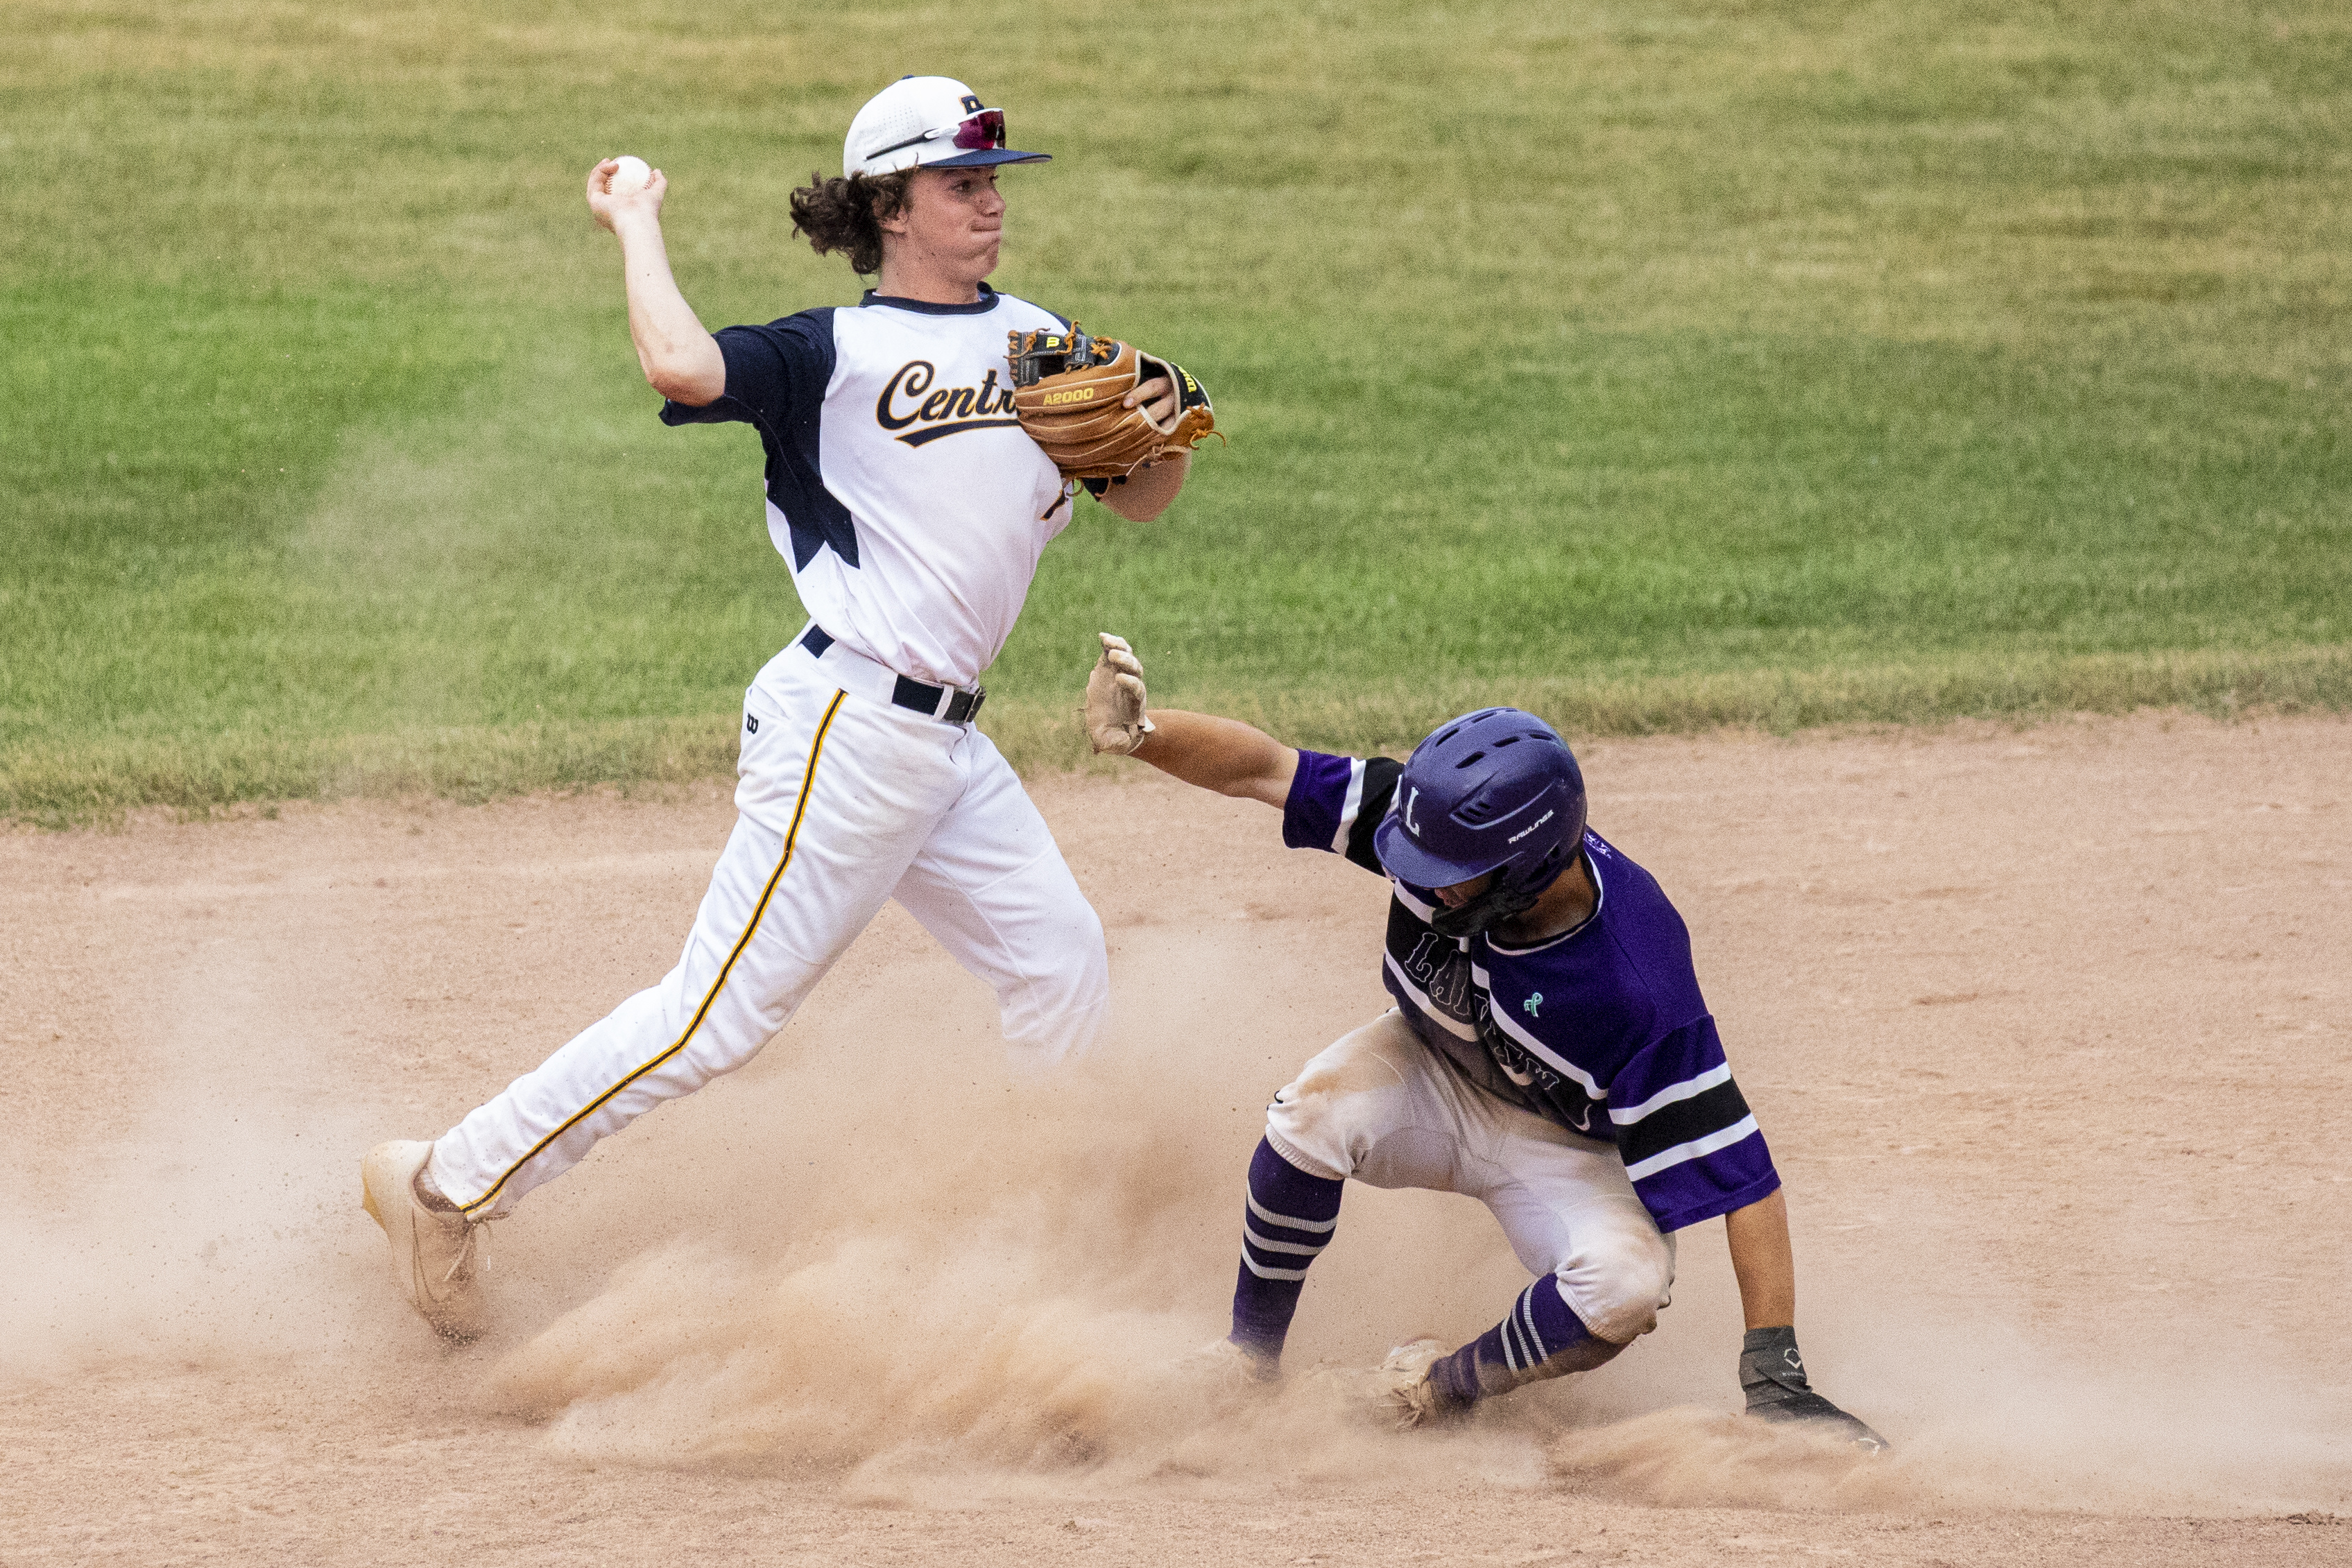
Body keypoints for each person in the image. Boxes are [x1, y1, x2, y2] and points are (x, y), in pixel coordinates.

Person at [361, 76, 1194, 1340]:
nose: (989, 204)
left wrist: (1163, 430)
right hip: (847, 731)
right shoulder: (830, 356)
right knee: (717, 1015)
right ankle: (447, 1181)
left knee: (1060, 963)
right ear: (890, 207)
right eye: (961, 184)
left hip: (945, 745)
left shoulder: (1038, 343)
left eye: (994, 182)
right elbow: (679, 365)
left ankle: (1043, 1252)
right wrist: (637, 220)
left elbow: (1139, 500)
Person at [1081, 636, 1885, 1447]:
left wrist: (1775, 1373)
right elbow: (1267, 770)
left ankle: (1432, 1391)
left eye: (1446, 870)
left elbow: (1743, 1177)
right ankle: (1247, 1359)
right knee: (1309, 1114)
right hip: (1433, 1070)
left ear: (1523, 872)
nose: (1418, 874)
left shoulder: (1636, 984)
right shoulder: (1437, 834)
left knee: (1623, 1288)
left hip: (1571, 1151)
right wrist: (1148, 733)